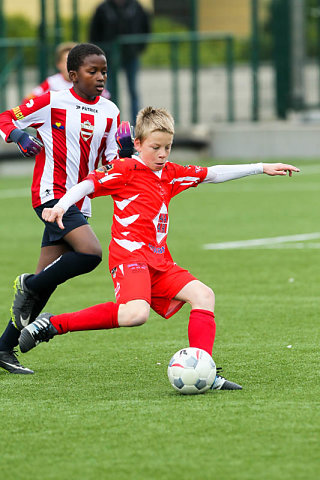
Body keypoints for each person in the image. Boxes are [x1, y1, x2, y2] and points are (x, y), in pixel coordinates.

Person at [18, 107, 300, 390]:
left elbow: (213, 173)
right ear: (138, 144)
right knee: (135, 314)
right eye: (156, 147)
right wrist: (61, 206)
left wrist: (261, 167)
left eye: (168, 147)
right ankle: (53, 324)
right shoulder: (125, 169)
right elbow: (87, 185)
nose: (163, 154)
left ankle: (206, 371)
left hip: (159, 260)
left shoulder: (171, 174)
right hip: (130, 258)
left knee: (204, 295)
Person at [0, 43, 126, 375]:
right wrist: (18, 135)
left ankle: (3, 347)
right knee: (90, 253)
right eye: (92, 71)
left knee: (46, 279)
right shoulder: (52, 101)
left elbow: (111, 160)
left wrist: (125, 153)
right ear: (72, 75)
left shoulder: (111, 111)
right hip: (51, 195)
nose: (100, 77)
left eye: (104, 72)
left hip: (80, 201)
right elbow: (5, 117)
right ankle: (28, 286)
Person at [89, 0, 151, 124]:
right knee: (109, 90)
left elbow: (145, 28)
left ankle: (137, 124)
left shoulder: (136, 7)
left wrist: (138, 48)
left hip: (131, 55)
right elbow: (94, 32)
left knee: (133, 90)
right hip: (108, 57)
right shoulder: (103, 8)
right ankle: (111, 123)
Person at [22, 42, 111, 104]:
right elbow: (28, 100)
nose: (70, 66)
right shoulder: (52, 82)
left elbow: (107, 98)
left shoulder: (88, 82)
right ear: (58, 64)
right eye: (66, 62)